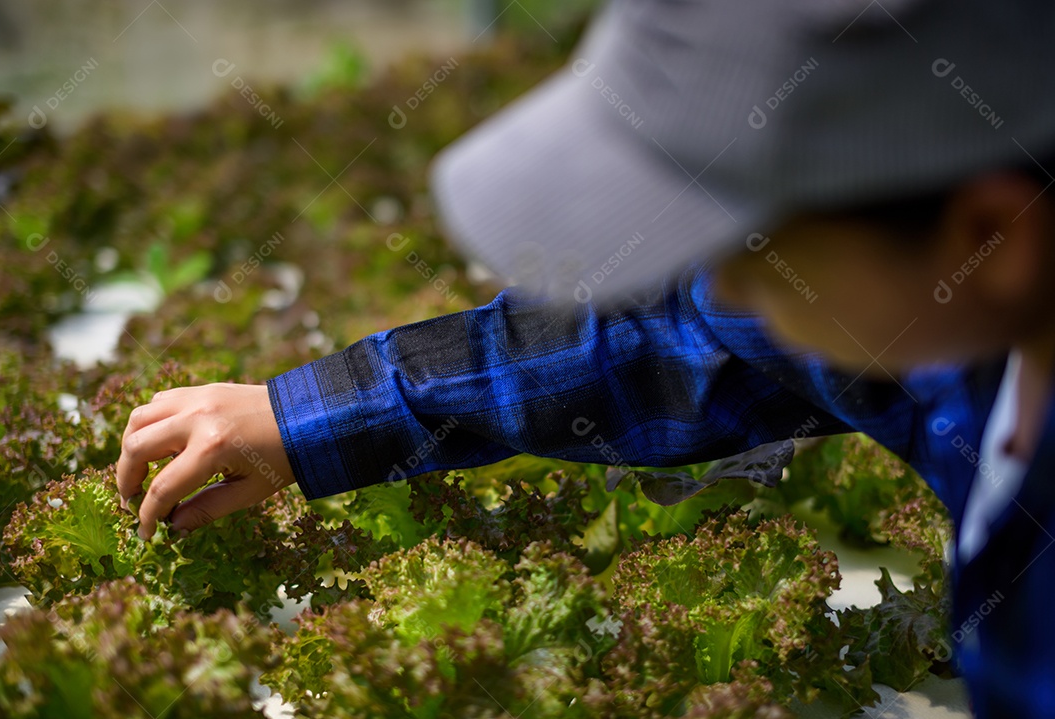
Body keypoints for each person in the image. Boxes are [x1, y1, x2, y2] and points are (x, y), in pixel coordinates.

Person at [115, 0, 1055, 715]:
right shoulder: (964, 331)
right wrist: (317, 416)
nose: (715, 285)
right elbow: (667, 335)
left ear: (990, 236)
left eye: (743, 246)